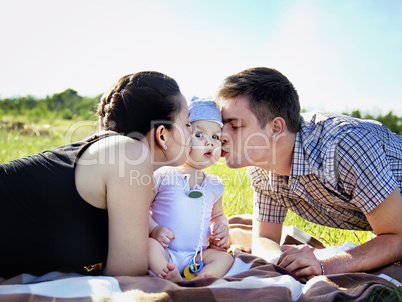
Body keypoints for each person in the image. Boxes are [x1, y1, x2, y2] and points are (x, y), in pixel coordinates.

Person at [0, 71, 192, 279]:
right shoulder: (130, 154)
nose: (192, 133)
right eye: (187, 124)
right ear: (161, 134)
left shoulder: (111, 151)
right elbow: (128, 276)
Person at [217, 67, 402, 282]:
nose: (221, 135)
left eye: (235, 125)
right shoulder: (260, 165)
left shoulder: (343, 146)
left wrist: (323, 266)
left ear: (276, 128)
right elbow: (265, 237)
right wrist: (284, 266)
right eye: (222, 124)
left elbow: (397, 237)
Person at [148, 97, 234, 282]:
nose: (210, 142)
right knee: (148, 247)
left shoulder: (215, 184)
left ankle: (200, 278)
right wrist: (154, 229)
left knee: (225, 258)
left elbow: (217, 215)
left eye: (215, 137)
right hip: (165, 250)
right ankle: (167, 272)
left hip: (197, 255)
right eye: (199, 135)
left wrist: (221, 227)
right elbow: (140, 208)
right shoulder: (164, 174)